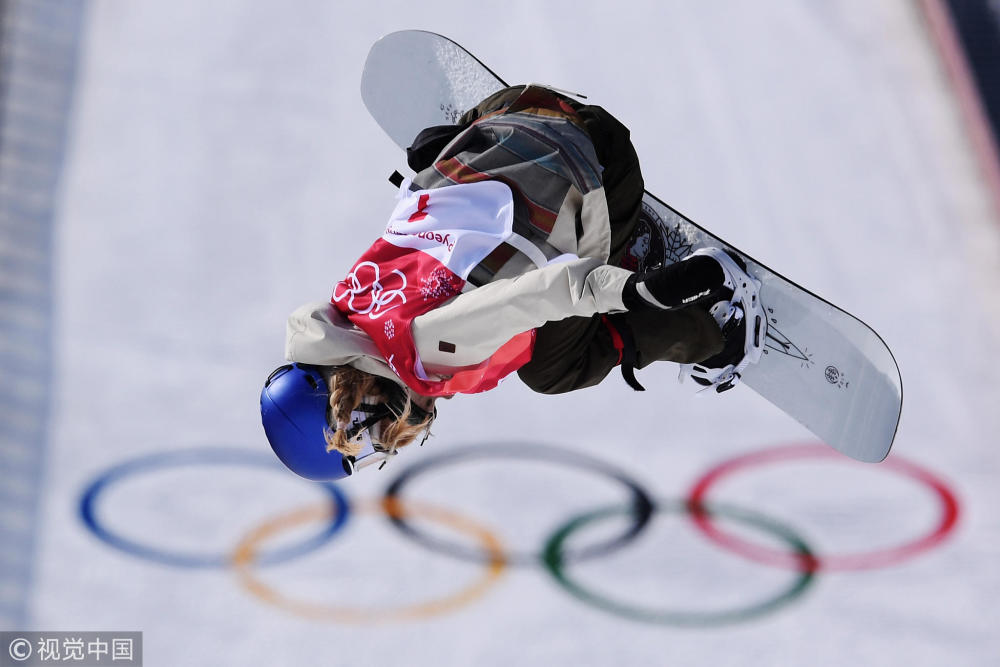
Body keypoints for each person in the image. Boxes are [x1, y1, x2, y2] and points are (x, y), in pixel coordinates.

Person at [260, 85, 764, 481]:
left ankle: (710, 322)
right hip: (505, 111)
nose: (392, 443)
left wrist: (635, 290)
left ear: (356, 409)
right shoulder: (352, 306)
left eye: (369, 442)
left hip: (604, 165)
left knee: (553, 370)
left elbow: (546, 293)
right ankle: (575, 213)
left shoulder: (427, 347)